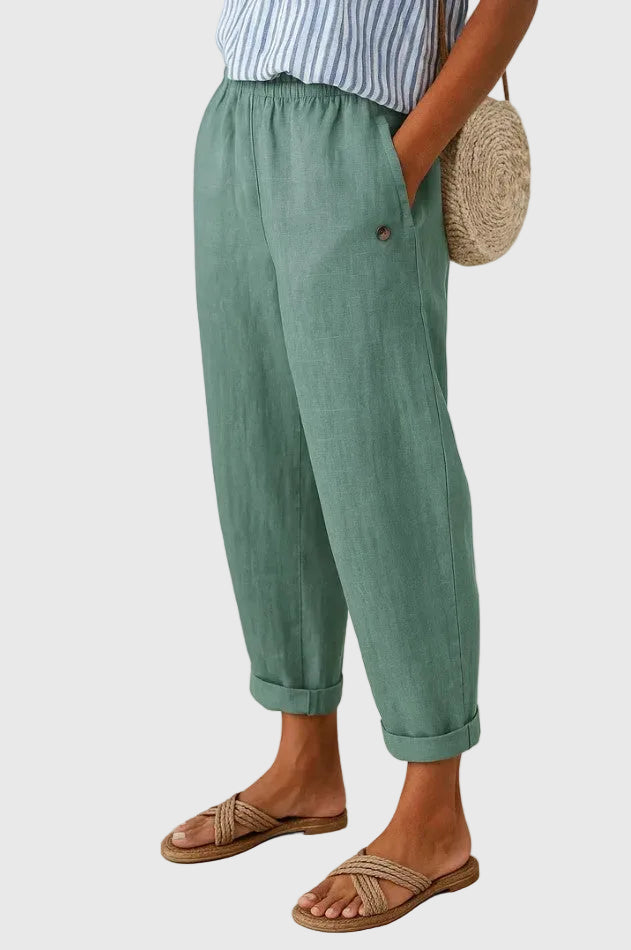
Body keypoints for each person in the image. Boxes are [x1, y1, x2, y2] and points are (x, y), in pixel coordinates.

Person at [161, 0, 537, 932]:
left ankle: (435, 811)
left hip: (362, 135)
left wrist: (401, 160)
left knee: (387, 469)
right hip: (237, 118)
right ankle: (304, 766)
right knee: (261, 454)